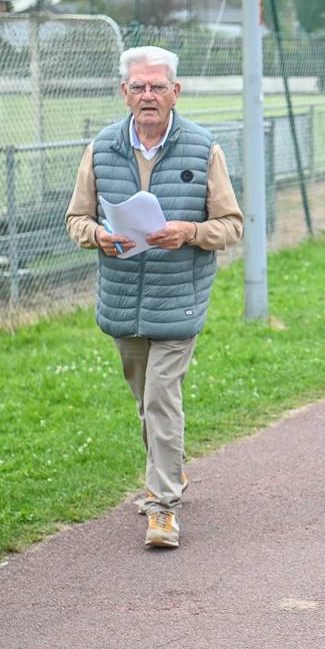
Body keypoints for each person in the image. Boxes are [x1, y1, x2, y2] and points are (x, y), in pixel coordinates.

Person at [65, 46, 243, 549]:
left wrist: (188, 230)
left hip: (178, 298)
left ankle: (162, 506)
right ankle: (171, 472)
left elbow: (231, 226)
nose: (148, 96)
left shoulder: (203, 148)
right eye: (139, 87)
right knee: (147, 401)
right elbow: (76, 218)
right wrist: (99, 236)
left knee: (162, 397)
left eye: (157, 87)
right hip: (123, 302)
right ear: (125, 93)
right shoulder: (101, 149)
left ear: (175, 93)